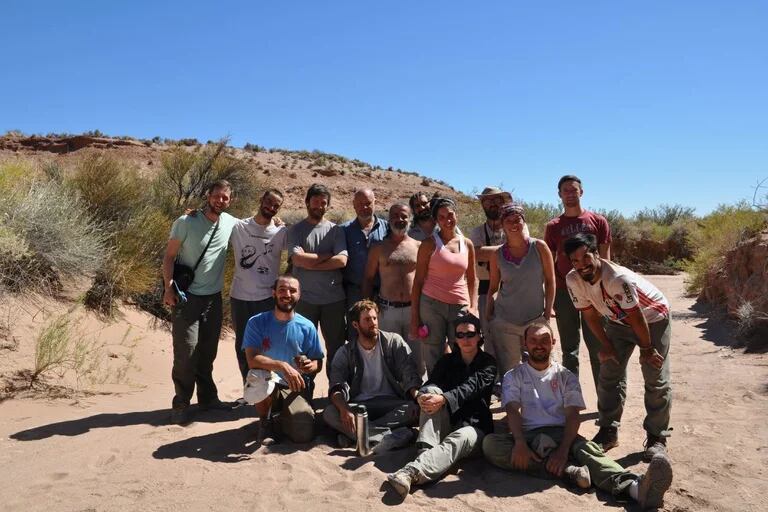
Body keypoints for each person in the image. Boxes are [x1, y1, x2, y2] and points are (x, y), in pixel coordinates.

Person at [482, 323, 673, 510]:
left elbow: (573, 415)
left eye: (544, 340)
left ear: (553, 342)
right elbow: (512, 410)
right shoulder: (513, 376)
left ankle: (636, 489)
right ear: (525, 344)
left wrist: (563, 450)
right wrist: (520, 443)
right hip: (530, 436)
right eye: (533, 340)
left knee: (589, 453)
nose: (538, 344)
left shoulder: (566, 376)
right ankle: (568, 472)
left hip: (562, 434)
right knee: (491, 445)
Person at [564, 233, 672, 460]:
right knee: (609, 372)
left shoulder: (616, 278)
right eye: (575, 261)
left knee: (655, 376)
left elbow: (637, 317)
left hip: (652, 317)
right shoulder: (573, 280)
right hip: (617, 320)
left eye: (586, 258)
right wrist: (606, 345)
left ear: (597, 254)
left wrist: (647, 349)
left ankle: (656, 436)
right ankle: (608, 431)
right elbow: (590, 316)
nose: (582, 265)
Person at [386, 314, 496, 498]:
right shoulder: (447, 361)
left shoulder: (488, 363)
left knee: (458, 438)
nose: (465, 339)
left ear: (479, 336)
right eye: (460, 335)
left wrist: (443, 399)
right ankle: (426, 456)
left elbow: (469, 389)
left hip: (475, 427)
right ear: (455, 339)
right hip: (447, 421)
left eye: (470, 334)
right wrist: (423, 396)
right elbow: (432, 382)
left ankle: (412, 472)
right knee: (430, 392)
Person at [162, 180, 239, 425]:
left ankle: (207, 398)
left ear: (230, 200)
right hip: (187, 297)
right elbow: (169, 257)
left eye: (225, 198)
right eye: (216, 196)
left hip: (213, 299)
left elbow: (256, 224)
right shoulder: (186, 222)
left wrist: (278, 222)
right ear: (208, 196)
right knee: (186, 352)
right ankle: (181, 402)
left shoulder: (230, 223)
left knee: (208, 352)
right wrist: (168, 288)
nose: (220, 201)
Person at [544, 175, 612, 389]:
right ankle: (571, 397)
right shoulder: (554, 226)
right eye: (566, 190)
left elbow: (605, 258)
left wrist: (604, 289)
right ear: (559, 195)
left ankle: (605, 401)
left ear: (581, 192)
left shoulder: (598, 221)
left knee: (598, 345)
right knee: (569, 349)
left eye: (574, 190)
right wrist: (551, 296)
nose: (570, 194)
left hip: (594, 290)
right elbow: (549, 263)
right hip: (565, 292)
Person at [323, 300, 421, 449]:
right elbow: (336, 387)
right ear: (356, 325)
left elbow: (409, 374)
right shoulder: (345, 352)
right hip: (360, 406)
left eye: (375, 318)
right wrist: (344, 410)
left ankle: (358, 437)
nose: (373, 323)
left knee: (414, 410)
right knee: (330, 413)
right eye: (367, 320)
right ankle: (396, 435)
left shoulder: (394, 342)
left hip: (391, 403)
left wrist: (418, 398)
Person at [243, 275, 324, 445]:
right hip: (268, 383)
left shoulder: (307, 326)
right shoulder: (257, 322)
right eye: (282, 290)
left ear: (299, 295)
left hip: (295, 386)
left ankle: (281, 418)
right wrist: (282, 365)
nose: (286, 294)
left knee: (303, 435)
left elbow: (318, 362)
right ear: (273, 293)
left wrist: (311, 366)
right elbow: (252, 359)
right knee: (257, 374)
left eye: (292, 291)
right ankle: (265, 422)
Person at [485, 203, 556, 375]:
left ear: (524, 221)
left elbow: (550, 280)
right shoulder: (497, 254)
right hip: (505, 321)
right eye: (508, 221)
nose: (514, 224)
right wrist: (489, 315)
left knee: (540, 367)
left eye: (517, 219)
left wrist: (547, 313)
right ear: (502, 225)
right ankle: (513, 401)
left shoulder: (539, 247)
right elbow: (494, 286)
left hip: (534, 319)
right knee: (510, 371)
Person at [410, 197, 477, 376]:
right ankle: (436, 393)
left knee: (462, 348)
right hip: (432, 305)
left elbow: (472, 278)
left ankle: (459, 392)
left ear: (456, 215)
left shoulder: (467, 244)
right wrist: (415, 317)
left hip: (460, 305)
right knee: (433, 351)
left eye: (450, 215)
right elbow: (417, 281)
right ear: (436, 220)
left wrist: (473, 306)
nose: (447, 220)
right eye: (441, 217)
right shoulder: (429, 244)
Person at [287, 183, 348, 370]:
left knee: (336, 348)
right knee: (303, 348)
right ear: (307, 202)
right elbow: (297, 260)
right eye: (315, 202)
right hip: (305, 299)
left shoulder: (336, 231)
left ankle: (336, 389)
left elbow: (342, 261)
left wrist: (310, 262)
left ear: (328, 205)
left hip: (333, 300)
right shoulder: (296, 230)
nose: (319, 206)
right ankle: (304, 392)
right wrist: (327, 254)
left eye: (323, 203)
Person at [229, 188, 287, 383]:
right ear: (261, 199)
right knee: (243, 345)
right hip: (240, 297)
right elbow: (213, 220)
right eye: (268, 202)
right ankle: (249, 386)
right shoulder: (238, 226)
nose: (271, 207)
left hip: (267, 299)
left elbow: (299, 248)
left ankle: (268, 389)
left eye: (276, 206)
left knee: (267, 344)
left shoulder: (281, 232)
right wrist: (193, 214)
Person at [362, 203, 423, 374]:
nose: (399, 219)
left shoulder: (419, 246)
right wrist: (367, 307)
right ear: (389, 220)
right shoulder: (378, 248)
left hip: (414, 309)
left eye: (404, 216)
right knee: (388, 353)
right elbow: (368, 278)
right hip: (386, 310)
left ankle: (417, 392)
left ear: (410, 219)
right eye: (395, 216)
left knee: (416, 355)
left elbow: (425, 279)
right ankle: (391, 391)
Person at [470, 186, 513, 359]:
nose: (493, 204)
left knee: (512, 335)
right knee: (489, 335)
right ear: (483, 205)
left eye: (497, 200)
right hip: (486, 288)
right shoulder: (477, 232)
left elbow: (521, 250)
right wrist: (507, 249)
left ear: (503, 203)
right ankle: (492, 379)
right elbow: (477, 253)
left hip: (512, 287)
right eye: (488, 201)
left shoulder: (515, 226)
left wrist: (490, 252)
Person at [341, 189, 388, 323]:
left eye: (368, 203)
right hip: (353, 293)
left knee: (381, 333)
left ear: (375, 202)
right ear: (354, 205)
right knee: (355, 331)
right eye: (360, 204)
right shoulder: (343, 230)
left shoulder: (388, 229)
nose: (364, 207)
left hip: (383, 293)